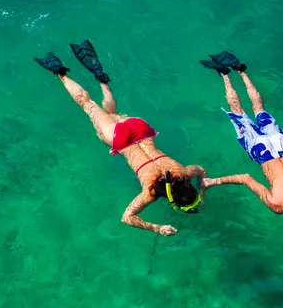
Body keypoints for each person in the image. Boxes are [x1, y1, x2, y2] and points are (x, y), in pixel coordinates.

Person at [34, 40, 207, 236]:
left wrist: (202, 188)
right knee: (87, 104)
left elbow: (201, 170)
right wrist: (157, 228)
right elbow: (127, 217)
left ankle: (103, 81)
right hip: (120, 140)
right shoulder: (149, 193)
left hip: (140, 129)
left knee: (113, 115)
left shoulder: (184, 173)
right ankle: (60, 72)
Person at [198, 52, 283, 251]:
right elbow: (246, 178)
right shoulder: (279, 206)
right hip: (262, 152)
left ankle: (240, 71)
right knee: (239, 112)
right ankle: (224, 75)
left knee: (259, 107)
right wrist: (212, 182)